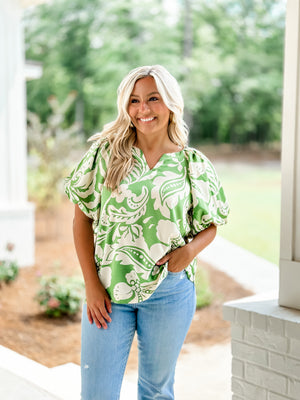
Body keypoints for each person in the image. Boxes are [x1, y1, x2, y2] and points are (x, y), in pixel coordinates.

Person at [64, 64, 229, 400]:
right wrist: (92, 285)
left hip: (169, 292)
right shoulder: (106, 154)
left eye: (153, 98)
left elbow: (212, 223)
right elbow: (82, 220)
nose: (143, 109)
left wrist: (189, 252)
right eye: (134, 101)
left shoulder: (191, 164)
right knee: (97, 393)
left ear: (171, 103)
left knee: (156, 392)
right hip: (108, 293)